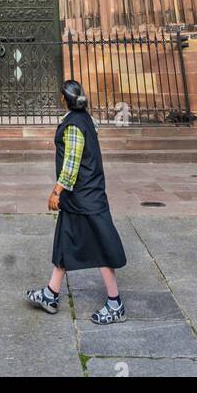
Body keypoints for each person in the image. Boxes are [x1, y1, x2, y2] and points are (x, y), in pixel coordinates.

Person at [26, 78, 127, 325]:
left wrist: (56, 191)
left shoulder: (74, 125)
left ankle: (116, 304)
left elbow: (72, 162)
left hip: (85, 195)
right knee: (65, 238)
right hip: (80, 196)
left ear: (65, 99)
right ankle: (51, 293)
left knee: (100, 245)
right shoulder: (86, 119)